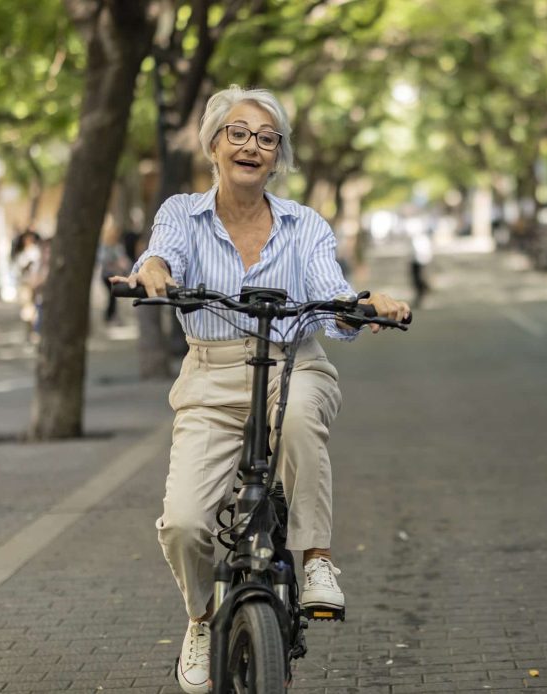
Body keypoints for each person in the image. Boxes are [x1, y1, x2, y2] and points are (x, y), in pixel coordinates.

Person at [112, 85, 410, 694]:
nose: (252, 146)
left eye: (267, 138)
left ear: (279, 155)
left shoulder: (305, 226)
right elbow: (159, 257)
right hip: (211, 376)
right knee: (184, 524)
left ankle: (316, 557)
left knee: (300, 415)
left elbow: (331, 295)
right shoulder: (181, 212)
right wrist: (154, 276)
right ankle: (199, 620)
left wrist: (364, 305)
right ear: (214, 144)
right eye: (239, 134)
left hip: (292, 364)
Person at [10, 229, 45, 342]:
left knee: (37, 308)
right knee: (27, 309)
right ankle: (30, 330)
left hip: (37, 284)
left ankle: (36, 330)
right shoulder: (21, 254)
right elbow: (16, 269)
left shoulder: (37, 251)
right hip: (25, 284)